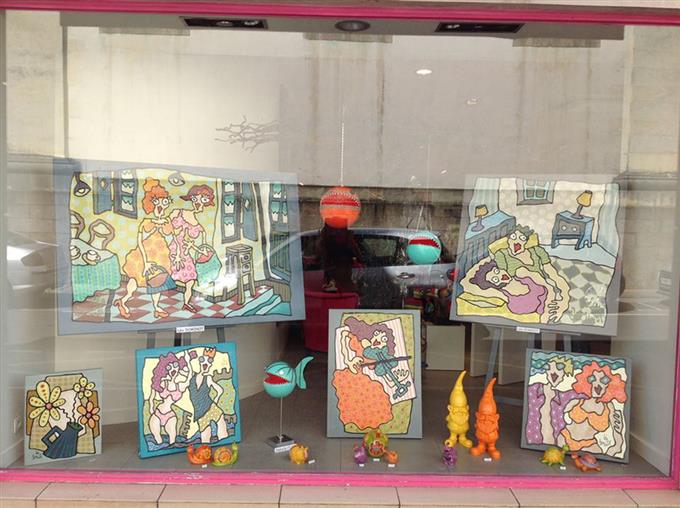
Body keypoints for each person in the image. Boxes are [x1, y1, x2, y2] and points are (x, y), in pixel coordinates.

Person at [116, 177, 175, 319]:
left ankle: (156, 307)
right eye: (157, 201)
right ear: (151, 203)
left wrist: (177, 254)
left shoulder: (167, 222)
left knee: (157, 282)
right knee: (135, 279)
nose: (161, 205)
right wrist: (146, 261)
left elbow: (173, 239)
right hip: (143, 256)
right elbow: (140, 242)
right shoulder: (146, 222)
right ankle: (123, 301)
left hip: (161, 256)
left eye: (164, 202)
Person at [492, 225, 571, 323]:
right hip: (523, 292)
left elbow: (554, 275)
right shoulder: (502, 254)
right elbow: (504, 279)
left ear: (526, 241)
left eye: (522, 238)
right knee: (521, 271)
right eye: (513, 237)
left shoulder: (537, 251)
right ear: (508, 240)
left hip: (544, 288)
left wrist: (564, 302)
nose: (517, 241)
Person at [169, 185, 214, 313]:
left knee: (191, 279)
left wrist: (201, 251)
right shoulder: (178, 213)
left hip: (185, 252)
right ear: (192, 199)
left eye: (203, 200)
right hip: (174, 250)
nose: (199, 203)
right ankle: (159, 305)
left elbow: (195, 244)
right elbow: (172, 232)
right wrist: (178, 254)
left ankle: (186, 303)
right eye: (196, 199)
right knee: (168, 275)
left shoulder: (199, 226)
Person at [468, 260, 554, 323]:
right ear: (494, 285)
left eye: (497, 271)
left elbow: (549, 286)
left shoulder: (522, 273)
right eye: (495, 279)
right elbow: (465, 284)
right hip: (551, 315)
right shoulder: (512, 303)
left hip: (556, 298)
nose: (500, 276)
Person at [187, 347, 229, 443]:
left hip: (210, 407)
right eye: (203, 360)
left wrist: (215, 401)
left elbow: (220, 390)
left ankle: (224, 442)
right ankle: (206, 448)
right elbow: (188, 366)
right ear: (199, 362)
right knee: (205, 433)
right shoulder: (191, 377)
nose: (206, 363)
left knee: (221, 423)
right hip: (199, 412)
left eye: (209, 361)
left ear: (210, 365)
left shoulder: (208, 378)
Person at [148, 351, 190, 445]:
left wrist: (188, 361)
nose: (173, 369)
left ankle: (171, 447)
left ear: (179, 367)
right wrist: (151, 407)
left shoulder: (180, 386)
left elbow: (189, 377)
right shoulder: (163, 382)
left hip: (170, 415)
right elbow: (152, 394)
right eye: (169, 367)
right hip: (158, 412)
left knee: (172, 440)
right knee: (157, 439)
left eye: (175, 365)